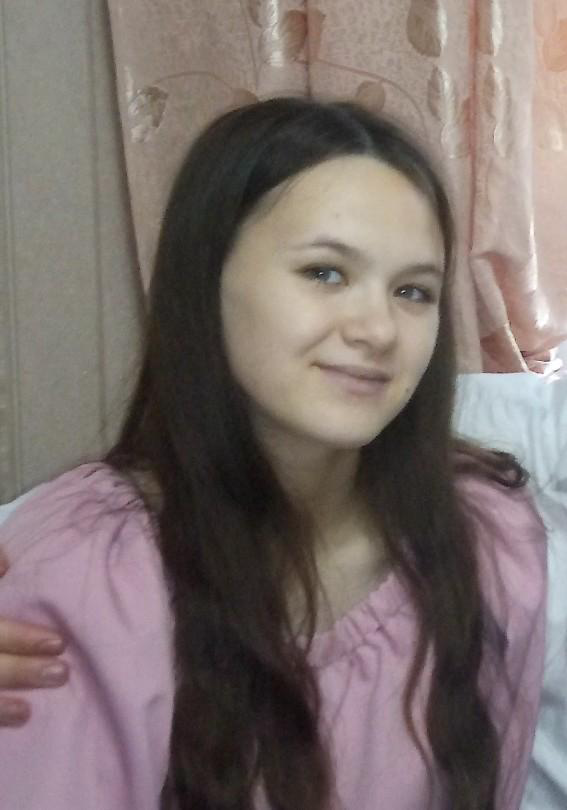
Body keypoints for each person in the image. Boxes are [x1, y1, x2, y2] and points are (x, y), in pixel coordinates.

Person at [0, 97, 546, 809]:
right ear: (206, 281)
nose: (378, 329)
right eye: (325, 273)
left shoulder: (486, 533)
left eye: (413, 291)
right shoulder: (89, 572)